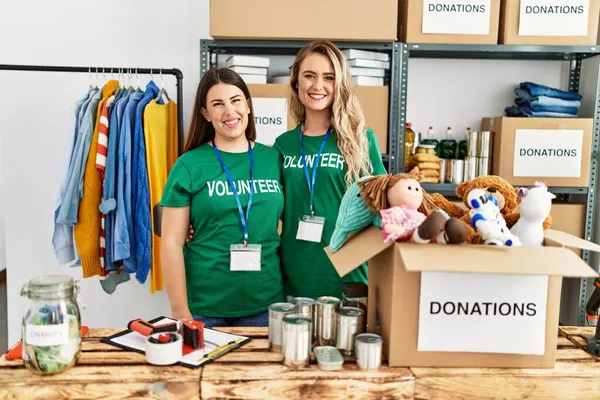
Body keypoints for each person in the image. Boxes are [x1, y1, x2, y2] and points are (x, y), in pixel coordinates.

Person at [160, 68, 286, 328]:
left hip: (266, 304)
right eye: (218, 104)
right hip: (205, 310)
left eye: (236, 100)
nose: (230, 111)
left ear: (248, 106)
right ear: (206, 113)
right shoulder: (189, 165)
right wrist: (180, 310)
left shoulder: (274, 158)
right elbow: (171, 243)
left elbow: (284, 219)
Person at [273, 40, 387, 300]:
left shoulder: (362, 139)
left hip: (349, 277)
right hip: (296, 276)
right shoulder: (283, 145)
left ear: (340, 85)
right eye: (309, 76)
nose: (318, 86)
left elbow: (384, 204)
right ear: (296, 82)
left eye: (329, 77)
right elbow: (265, 203)